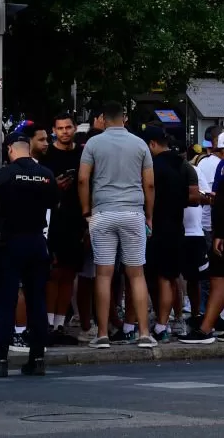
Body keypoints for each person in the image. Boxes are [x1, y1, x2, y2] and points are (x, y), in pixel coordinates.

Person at [0, 134, 57, 377]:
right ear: (28, 149)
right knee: (37, 302)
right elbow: (54, 203)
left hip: (11, 242)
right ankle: (37, 359)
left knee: (6, 301)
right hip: (37, 242)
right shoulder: (46, 174)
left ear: (10, 150)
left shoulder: (6, 174)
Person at [78, 101, 157, 348]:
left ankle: (102, 334)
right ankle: (144, 333)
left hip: (102, 212)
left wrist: (86, 213)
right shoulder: (140, 144)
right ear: (124, 118)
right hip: (133, 212)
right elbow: (150, 185)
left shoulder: (93, 143)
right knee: (136, 274)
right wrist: (149, 215)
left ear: (103, 118)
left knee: (103, 274)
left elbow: (82, 179)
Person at [143, 124, 198, 342]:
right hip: (176, 227)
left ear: (151, 144)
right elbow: (192, 197)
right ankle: (164, 324)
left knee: (152, 278)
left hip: (153, 227)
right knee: (170, 277)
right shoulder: (183, 165)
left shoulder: (150, 166)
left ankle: (159, 321)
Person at [41, 111, 84, 344]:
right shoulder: (47, 155)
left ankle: (59, 325)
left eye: (68, 127)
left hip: (77, 219)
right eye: (60, 128)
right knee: (53, 273)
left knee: (69, 273)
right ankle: (47, 324)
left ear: (74, 128)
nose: (64, 132)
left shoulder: (83, 153)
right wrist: (55, 187)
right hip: (52, 220)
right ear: (54, 131)